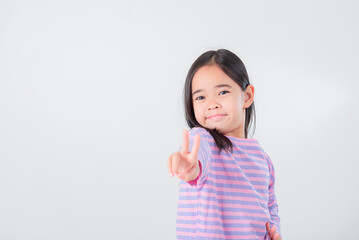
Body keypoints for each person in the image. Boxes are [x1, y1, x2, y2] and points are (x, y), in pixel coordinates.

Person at [167, 49, 282, 240]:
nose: (211, 104)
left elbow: (271, 206)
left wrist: (274, 231)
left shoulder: (263, 159)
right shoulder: (202, 140)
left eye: (222, 92)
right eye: (200, 97)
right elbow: (196, 159)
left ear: (247, 96)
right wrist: (190, 167)